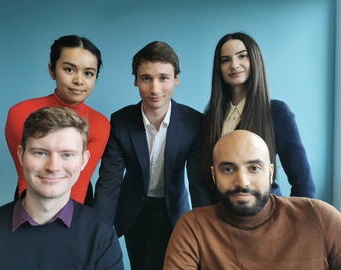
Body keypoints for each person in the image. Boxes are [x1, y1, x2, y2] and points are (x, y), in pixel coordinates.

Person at [92, 41, 213, 270]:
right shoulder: (120, 121)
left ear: (176, 78)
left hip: (170, 212)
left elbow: (198, 181)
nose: (155, 89)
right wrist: (99, 232)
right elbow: (109, 181)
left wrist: (207, 228)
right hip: (132, 212)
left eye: (164, 78)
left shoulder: (194, 122)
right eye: (146, 78)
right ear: (136, 80)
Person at [164, 130, 341, 270]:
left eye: (254, 168)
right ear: (214, 175)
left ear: (271, 173)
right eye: (228, 169)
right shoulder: (193, 227)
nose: (242, 182)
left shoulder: (321, 217)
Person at [0, 107, 123, 270]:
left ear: (84, 160)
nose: (53, 167)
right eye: (40, 153)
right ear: (21, 155)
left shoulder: (101, 236)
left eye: (67, 155)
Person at [201, 32, 315, 198]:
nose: (234, 65)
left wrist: (295, 222)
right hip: (220, 215)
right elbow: (206, 177)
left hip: (266, 213)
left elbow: (303, 182)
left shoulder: (277, 112)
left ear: (254, 60)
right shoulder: (212, 115)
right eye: (225, 60)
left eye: (242, 56)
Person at [5, 35, 110, 205]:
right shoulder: (20, 113)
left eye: (89, 73)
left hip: (77, 201)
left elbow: (79, 184)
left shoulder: (100, 124)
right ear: (52, 70)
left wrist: (68, 227)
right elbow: (27, 178)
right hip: (32, 196)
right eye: (69, 69)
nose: (79, 80)